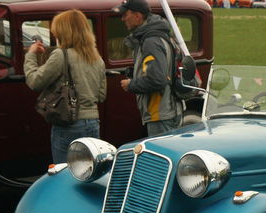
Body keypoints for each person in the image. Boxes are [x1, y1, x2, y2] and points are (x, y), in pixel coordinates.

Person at [24, 9, 106, 164]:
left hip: (69, 124)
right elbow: (101, 95)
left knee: (65, 172)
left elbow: (35, 82)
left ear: (63, 32)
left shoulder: (61, 54)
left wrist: (30, 55)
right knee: (88, 172)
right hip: (93, 123)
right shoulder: (97, 57)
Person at [113, 0, 182, 137]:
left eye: (125, 15)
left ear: (137, 16)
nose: (122, 19)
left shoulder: (151, 41)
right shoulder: (155, 36)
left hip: (161, 115)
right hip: (166, 112)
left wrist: (131, 84)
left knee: (160, 157)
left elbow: (157, 80)